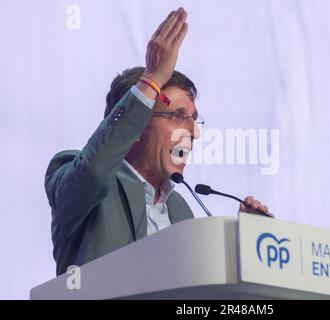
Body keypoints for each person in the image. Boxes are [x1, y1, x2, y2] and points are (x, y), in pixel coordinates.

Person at [45, 8, 272, 276]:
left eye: (194, 119)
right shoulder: (75, 173)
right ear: (137, 123)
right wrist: (151, 81)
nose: (193, 132)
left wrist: (247, 245)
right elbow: (94, 172)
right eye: (177, 116)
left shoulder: (180, 211)